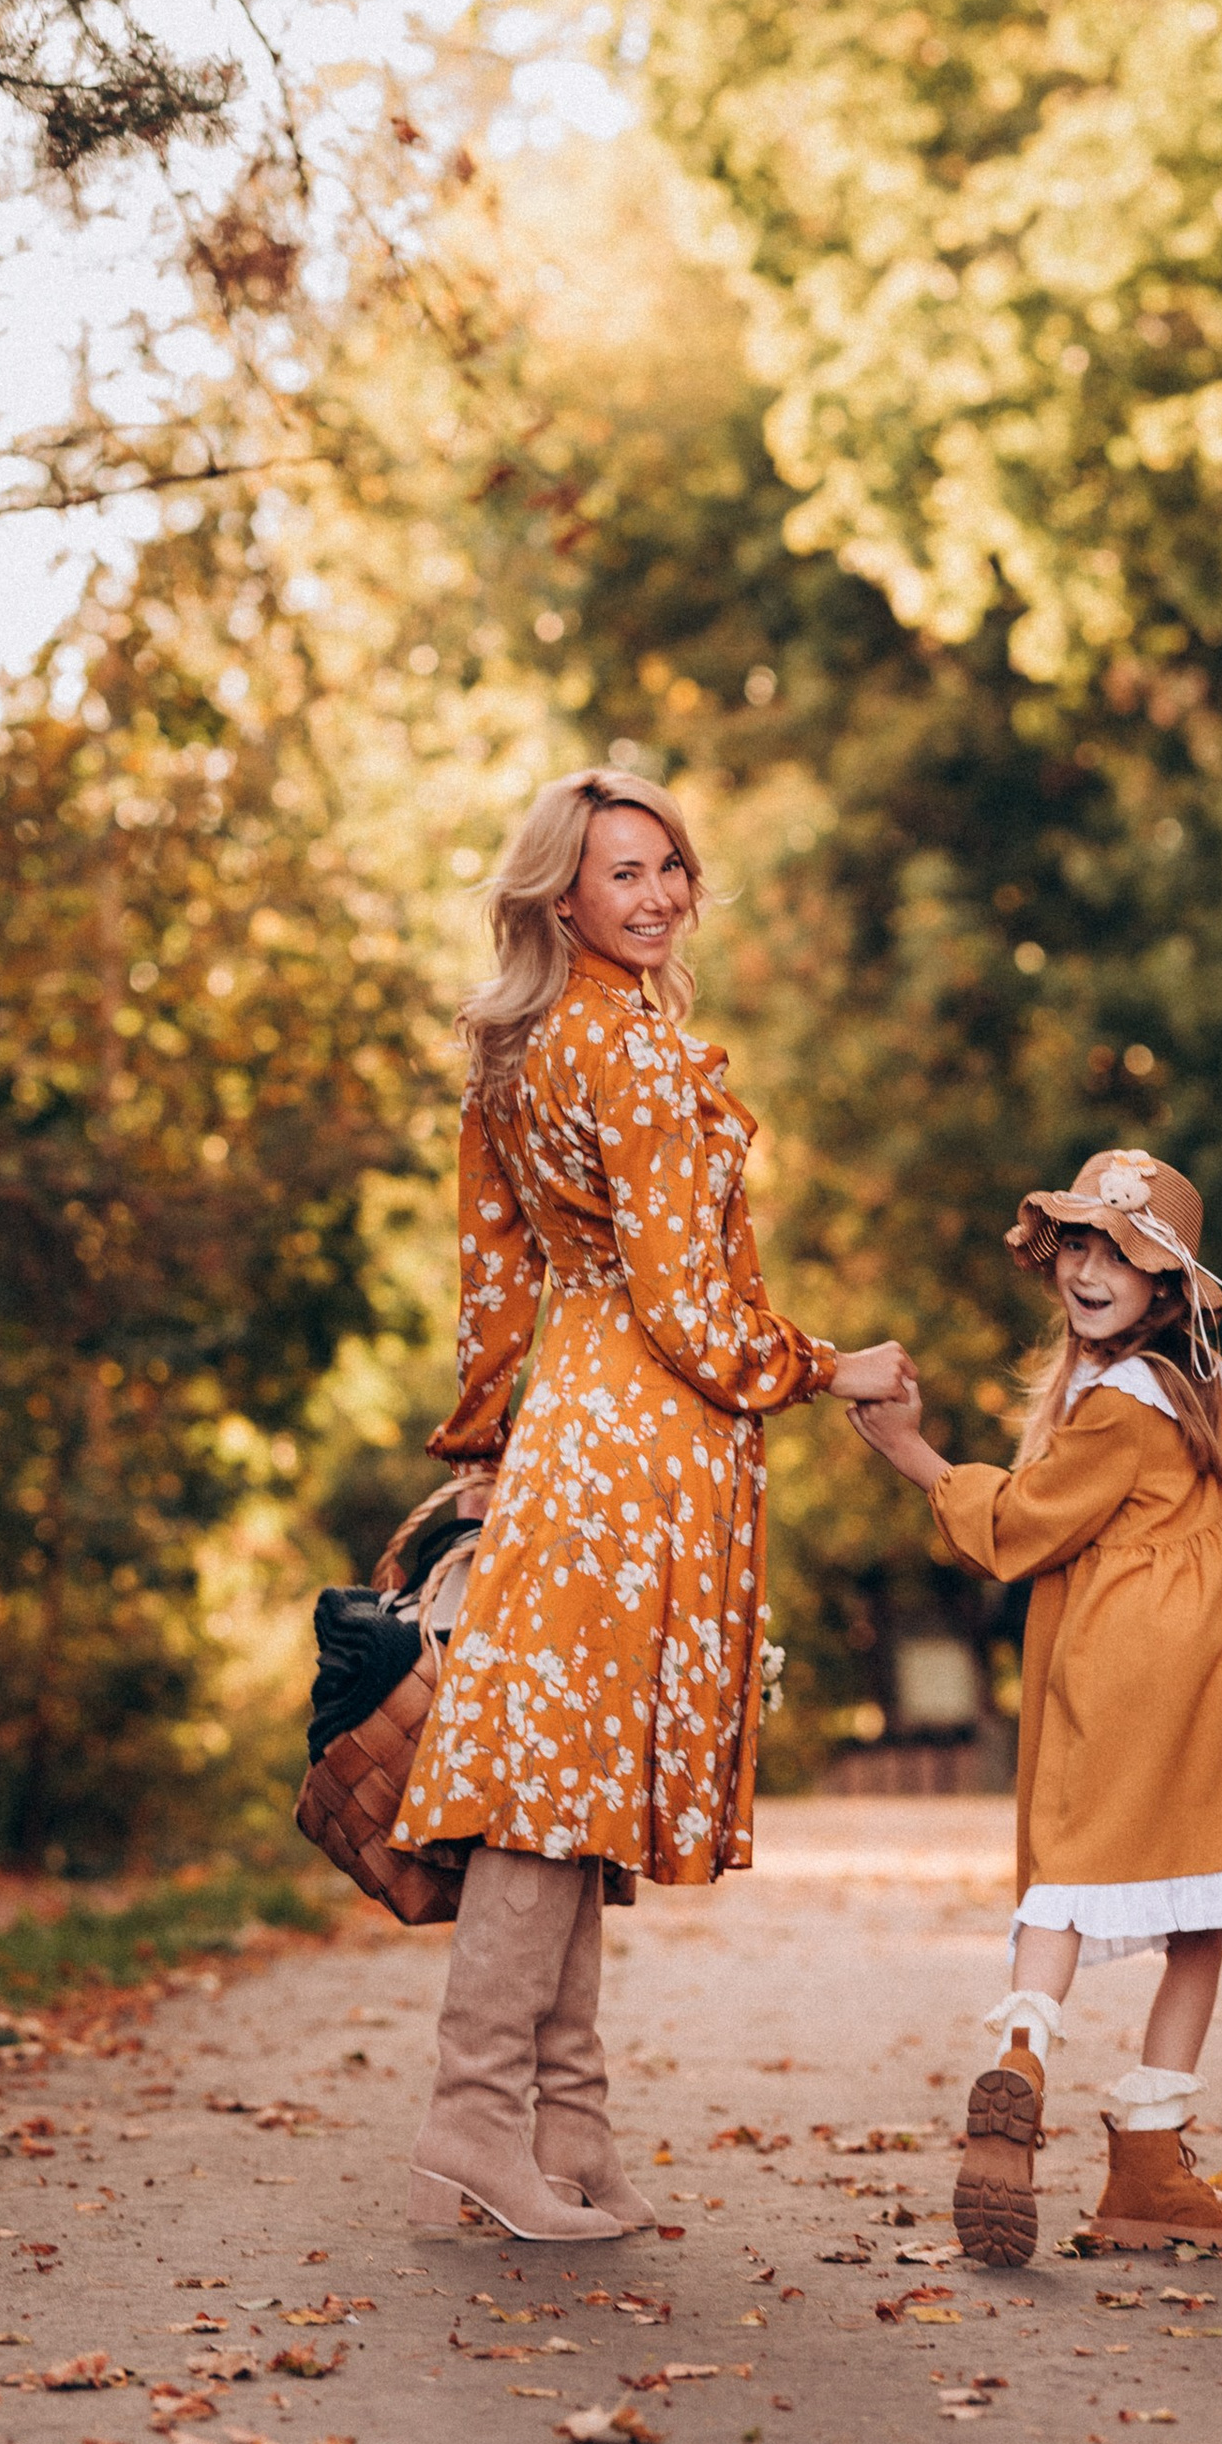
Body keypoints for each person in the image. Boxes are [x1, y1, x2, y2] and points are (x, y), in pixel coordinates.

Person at [392, 768, 915, 2244]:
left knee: (563, 1789)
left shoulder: (517, 1055)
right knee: (555, 1797)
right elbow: (693, 1310)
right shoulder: (629, 1051)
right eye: (625, 873)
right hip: (645, 1445)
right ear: (565, 894)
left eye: (671, 866)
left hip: (571, 1422)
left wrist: (489, 1440)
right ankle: (472, 2126)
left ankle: (569, 2136)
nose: (660, 893)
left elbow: (494, 1277)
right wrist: (827, 1367)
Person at [846, 1146, 1222, 2266]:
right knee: (1206, 1902)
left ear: (1167, 1287)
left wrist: (916, 1457)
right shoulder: (1195, 1388)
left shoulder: (1118, 1400)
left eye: (1121, 1248)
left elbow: (1022, 1528)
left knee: (1069, 1865)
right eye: (1076, 1241)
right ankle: (1148, 2162)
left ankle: (1021, 2056)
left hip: (1137, 1660)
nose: (1090, 1264)